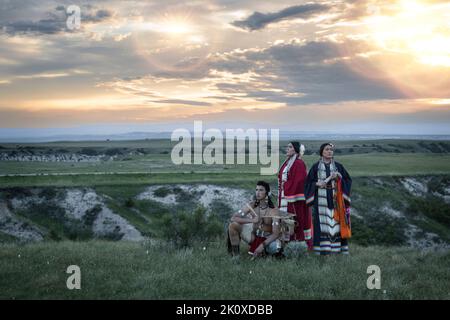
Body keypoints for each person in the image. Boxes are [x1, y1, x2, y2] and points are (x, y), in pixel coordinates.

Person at [305, 143, 352, 255]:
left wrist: (339, 177)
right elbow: (308, 183)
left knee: (336, 222)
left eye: (331, 150)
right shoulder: (316, 167)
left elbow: (348, 180)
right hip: (321, 199)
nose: (330, 151)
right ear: (322, 152)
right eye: (327, 149)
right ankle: (323, 250)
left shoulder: (338, 167)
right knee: (322, 224)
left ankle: (337, 249)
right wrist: (316, 183)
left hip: (336, 199)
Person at [227, 181, 281, 258]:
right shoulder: (252, 205)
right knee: (233, 225)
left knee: (274, 248)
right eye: (256, 190)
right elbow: (234, 218)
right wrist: (252, 220)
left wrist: (262, 246)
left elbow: (275, 234)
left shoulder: (273, 210)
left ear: (267, 193)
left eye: (261, 190)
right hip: (254, 237)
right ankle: (236, 256)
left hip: (268, 240)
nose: (258, 192)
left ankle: (265, 253)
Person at [278, 141, 312, 250]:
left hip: (294, 199)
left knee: (294, 220)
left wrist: (285, 185)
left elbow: (300, 181)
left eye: (290, 147)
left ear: (296, 150)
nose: (287, 148)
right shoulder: (288, 162)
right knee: (284, 220)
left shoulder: (298, 163)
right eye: (287, 146)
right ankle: (286, 245)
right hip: (285, 196)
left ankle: (296, 245)